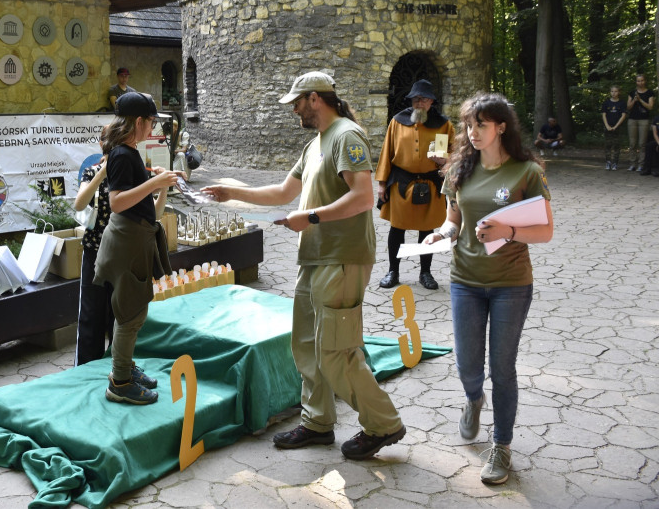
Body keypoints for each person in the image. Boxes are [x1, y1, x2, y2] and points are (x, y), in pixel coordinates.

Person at [202, 71, 405, 461]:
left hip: (342, 257)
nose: (293, 110)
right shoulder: (315, 145)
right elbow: (283, 192)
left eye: (297, 102)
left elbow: (364, 197)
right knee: (307, 345)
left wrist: (310, 218)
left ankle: (383, 423)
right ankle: (316, 423)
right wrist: (231, 192)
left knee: (337, 351)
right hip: (314, 257)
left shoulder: (346, 136)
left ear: (315, 99)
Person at [422, 92, 554, 485]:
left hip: (511, 284)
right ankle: (473, 398)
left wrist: (508, 231)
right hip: (464, 281)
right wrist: (438, 234)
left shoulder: (527, 172)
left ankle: (502, 446)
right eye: (468, 125)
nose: (472, 132)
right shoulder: (459, 169)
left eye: (481, 124)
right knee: (466, 364)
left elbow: (545, 230)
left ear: (501, 127)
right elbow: (453, 221)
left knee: (503, 368)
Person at [94, 92, 179, 404]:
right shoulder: (120, 155)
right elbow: (117, 203)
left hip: (136, 240)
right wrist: (154, 183)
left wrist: (162, 188)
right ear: (139, 121)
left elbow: (151, 213)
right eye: (152, 123)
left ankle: (125, 365)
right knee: (130, 315)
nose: (153, 129)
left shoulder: (130, 154)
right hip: (126, 243)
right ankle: (120, 381)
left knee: (132, 312)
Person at [374, 79, 454, 290]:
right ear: (411, 100)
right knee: (397, 229)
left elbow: (451, 155)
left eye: (424, 99)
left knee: (427, 231)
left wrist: (443, 160)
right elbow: (386, 153)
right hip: (401, 183)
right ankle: (393, 271)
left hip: (431, 183)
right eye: (416, 99)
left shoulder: (443, 124)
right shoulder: (397, 121)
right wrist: (382, 183)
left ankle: (425, 273)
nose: (420, 103)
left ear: (431, 102)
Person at [73, 131, 114, 366]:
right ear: (101, 144)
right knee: (91, 316)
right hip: (94, 252)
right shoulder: (91, 172)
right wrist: (101, 173)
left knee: (117, 317)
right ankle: (86, 372)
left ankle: (116, 370)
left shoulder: (126, 173)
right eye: (108, 142)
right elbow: (79, 204)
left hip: (120, 255)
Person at [626, 74, 655, 171]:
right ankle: (632, 163)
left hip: (644, 120)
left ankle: (641, 164)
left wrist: (640, 100)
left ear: (645, 81)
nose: (640, 82)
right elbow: (628, 107)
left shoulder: (650, 93)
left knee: (642, 143)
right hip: (632, 120)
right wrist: (634, 100)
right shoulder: (632, 92)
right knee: (632, 143)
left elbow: (650, 107)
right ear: (636, 82)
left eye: (642, 80)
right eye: (638, 81)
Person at [601, 85, 627, 170]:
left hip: (618, 127)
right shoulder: (606, 102)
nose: (614, 93)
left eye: (615, 91)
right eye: (612, 91)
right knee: (608, 145)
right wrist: (607, 126)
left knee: (616, 145)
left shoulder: (622, 103)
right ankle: (608, 162)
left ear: (619, 92)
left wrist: (616, 126)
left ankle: (615, 163)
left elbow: (623, 115)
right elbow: (604, 115)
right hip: (608, 127)